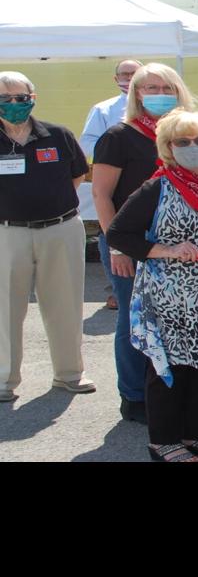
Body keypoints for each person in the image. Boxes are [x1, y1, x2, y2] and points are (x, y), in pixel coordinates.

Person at [104, 109, 198, 461]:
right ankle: (163, 441)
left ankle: (197, 435)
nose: (194, 147)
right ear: (168, 147)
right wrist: (165, 250)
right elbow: (119, 232)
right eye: (183, 142)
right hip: (170, 298)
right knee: (170, 369)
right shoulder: (157, 187)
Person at [92, 62, 196, 423]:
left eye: (166, 87)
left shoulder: (190, 134)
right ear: (135, 93)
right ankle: (135, 395)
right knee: (134, 320)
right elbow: (102, 196)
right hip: (131, 242)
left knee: (176, 319)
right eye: (148, 88)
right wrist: (117, 247)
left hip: (181, 244)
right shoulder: (119, 136)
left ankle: (172, 394)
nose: (158, 95)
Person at [0, 70, 94, 404]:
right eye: (5, 98)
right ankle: (4, 380)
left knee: (66, 302)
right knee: (5, 308)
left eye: (21, 97)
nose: (14, 104)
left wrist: (50, 207)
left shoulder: (57, 134)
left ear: (33, 98)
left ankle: (69, 373)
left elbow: (78, 174)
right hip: (7, 233)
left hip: (60, 228)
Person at [81, 59, 142, 311]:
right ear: (115, 79)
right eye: (124, 74)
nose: (129, 78)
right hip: (118, 191)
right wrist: (119, 153)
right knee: (125, 284)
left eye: (134, 73)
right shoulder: (104, 110)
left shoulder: (164, 108)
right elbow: (86, 142)